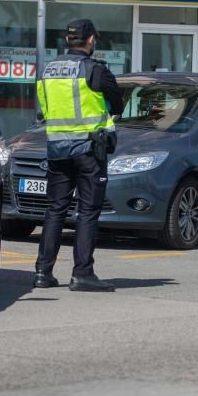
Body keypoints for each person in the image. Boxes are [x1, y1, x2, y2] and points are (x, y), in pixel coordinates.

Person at [33, 19, 123, 291]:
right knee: (87, 211)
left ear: (67, 41)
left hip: (57, 149)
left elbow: (44, 111)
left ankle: (42, 273)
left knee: (55, 210)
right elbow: (117, 103)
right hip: (88, 151)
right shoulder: (96, 70)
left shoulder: (48, 71)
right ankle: (82, 273)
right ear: (92, 40)